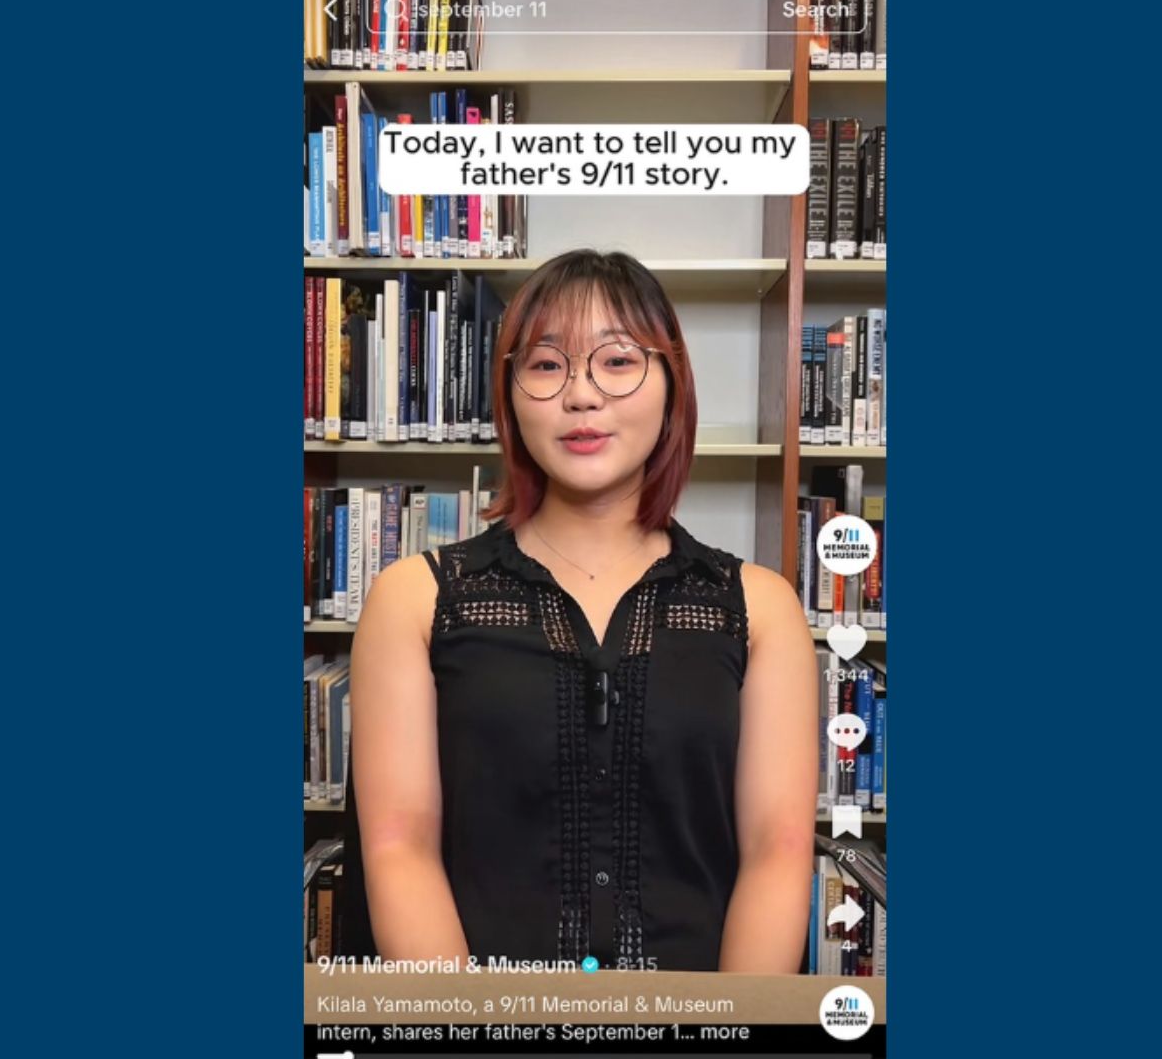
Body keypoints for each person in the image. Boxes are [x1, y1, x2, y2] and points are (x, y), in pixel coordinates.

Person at [349, 249, 817, 973]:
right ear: (507, 394)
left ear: (671, 385)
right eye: (545, 365)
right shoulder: (415, 598)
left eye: (618, 361)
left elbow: (777, 851)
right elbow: (398, 845)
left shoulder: (759, 608)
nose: (582, 396)